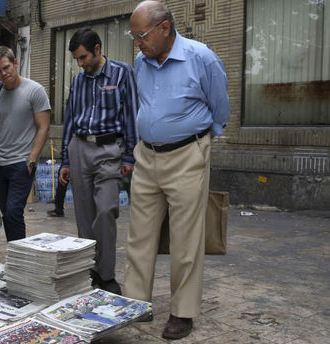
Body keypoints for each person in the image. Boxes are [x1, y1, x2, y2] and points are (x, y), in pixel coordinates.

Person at [123, 1, 230, 340]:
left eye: (141, 35)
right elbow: (143, 103)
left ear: (165, 28)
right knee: (139, 235)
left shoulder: (201, 58)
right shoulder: (141, 62)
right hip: (147, 156)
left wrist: (199, 141)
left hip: (187, 156)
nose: (137, 43)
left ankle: (182, 312)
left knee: (186, 239)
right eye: (134, 36)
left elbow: (220, 108)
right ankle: (135, 303)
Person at [58, 28, 139, 295]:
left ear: (97, 49)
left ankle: (106, 275)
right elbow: (70, 120)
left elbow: (131, 113)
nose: (80, 64)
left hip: (109, 150)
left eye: (83, 57)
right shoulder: (79, 81)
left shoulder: (122, 73)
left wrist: (130, 155)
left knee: (105, 211)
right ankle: (89, 270)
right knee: (84, 215)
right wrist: (65, 160)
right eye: (76, 60)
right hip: (80, 148)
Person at [0, 46, 51, 241]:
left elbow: (44, 127)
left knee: (13, 212)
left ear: (15, 63)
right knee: (7, 214)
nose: (4, 73)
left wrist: (32, 160)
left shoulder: (35, 91)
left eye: (6, 67)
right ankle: (15, 253)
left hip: (21, 163)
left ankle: (20, 256)